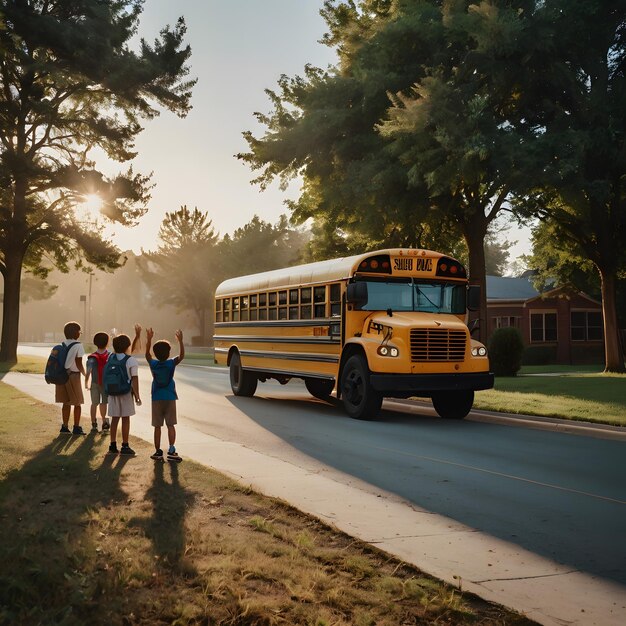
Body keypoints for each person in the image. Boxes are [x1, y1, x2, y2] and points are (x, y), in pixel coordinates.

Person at [145, 328, 185, 462]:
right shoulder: (171, 363)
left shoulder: (153, 364)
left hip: (156, 397)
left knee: (157, 426)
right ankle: (172, 450)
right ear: (168, 353)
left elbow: (147, 355)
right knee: (170, 425)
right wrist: (180, 341)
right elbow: (181, 356)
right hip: (170, 397)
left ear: (155, 353)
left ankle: (157, 451)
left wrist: (149, 339)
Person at [106, 333, 142, 456]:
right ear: (127, 346)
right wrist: (137, 395)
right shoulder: (130, 360)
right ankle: (125, 445)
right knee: (125, 418)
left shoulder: (110, 357)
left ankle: (112, 444)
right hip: (125, 392)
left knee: (115, 418)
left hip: (112, 391)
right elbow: (134, 379)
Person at [56, 321, 87, 435]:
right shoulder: (78, 345)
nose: (80, 333)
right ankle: (76, 427)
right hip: (73, 376)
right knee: (77, 403)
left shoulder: (62, 344)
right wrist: (85, 374)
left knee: (66, 402)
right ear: (76, 333)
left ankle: (64, 426)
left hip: (62, 375)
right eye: (80, 331)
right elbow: (79, 363)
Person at [85, 332, 111, 433]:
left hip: (94, 383)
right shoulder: (110, 356)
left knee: (94, 403)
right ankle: (104, 422)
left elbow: (88, 371)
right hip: (106, 384)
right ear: (107, 342)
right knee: (104, 403)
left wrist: (86, 383)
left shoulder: (92, 357)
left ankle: (94, 424)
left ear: (95, 342)